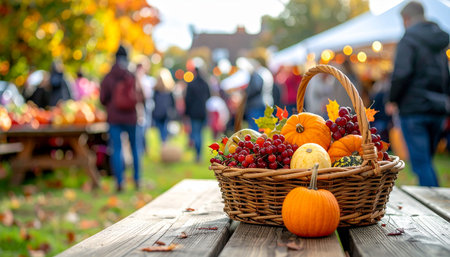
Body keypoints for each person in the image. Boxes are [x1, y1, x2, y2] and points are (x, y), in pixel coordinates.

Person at [389, 1, 449, 187]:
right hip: (438, 108)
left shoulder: (408, 40)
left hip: (414, 108)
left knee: (421, 164)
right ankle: (435, 198)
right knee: (427, 161)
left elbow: (401, 73)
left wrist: (392, 99)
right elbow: (445, 74)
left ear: (407, 19)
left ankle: (433, 207)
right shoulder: (439, 41)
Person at [100, 45, 143, 192]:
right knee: (135, 148)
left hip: (114, 118)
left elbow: (102, 98)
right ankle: (137, 179)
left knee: (116, 149)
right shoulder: (131, 74)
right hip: (131, 117)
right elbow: (140, 95)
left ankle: (120, 181)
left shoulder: (108, 76)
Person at [184, 58, 211, 162]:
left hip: (194, 113)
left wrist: (186, 112)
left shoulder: (191, 84)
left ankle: (198, 154)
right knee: (200, 133)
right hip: (203, 112)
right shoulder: (205, 83)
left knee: (195, 133)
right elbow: (209, 96)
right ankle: (199, 154)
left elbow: (187, 99)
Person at [152, 68, 176, 143]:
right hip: (161, 113)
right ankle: (164, 144)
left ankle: (164, 144)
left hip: (164, 114)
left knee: (164, 130)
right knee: (163, 131)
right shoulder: (157, 90)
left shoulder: (167, 91)